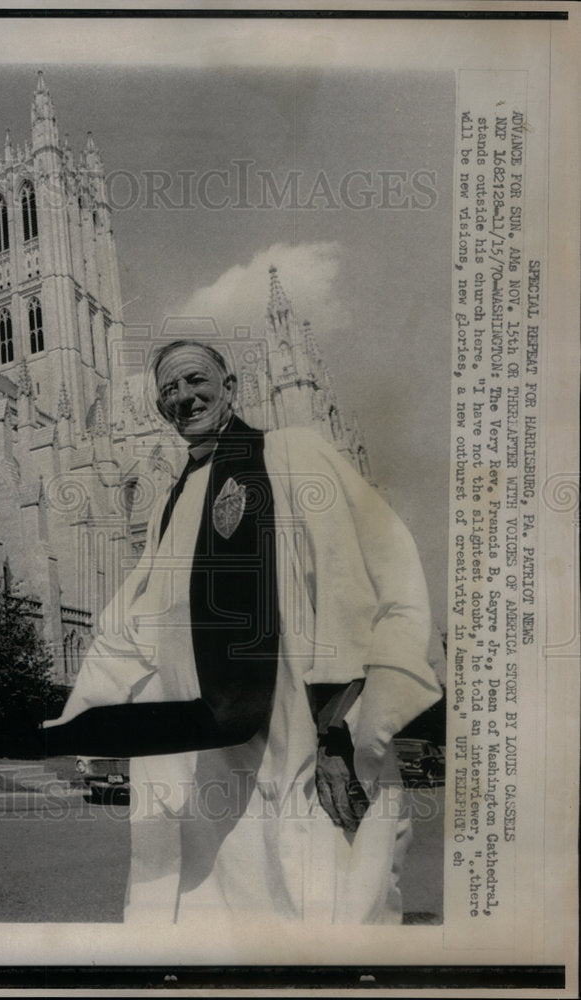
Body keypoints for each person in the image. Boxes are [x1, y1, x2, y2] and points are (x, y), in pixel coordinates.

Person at [43, 339, 442, 925]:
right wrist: (70, 723)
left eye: (196, 380)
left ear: (230, 387)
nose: (184, 397)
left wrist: (340, 728)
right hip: (207, 752)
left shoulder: (291, 454)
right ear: (159, 410)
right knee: (225, 909)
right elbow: (131, 624)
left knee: (317, 893)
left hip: (299, 733)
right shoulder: (169, 505)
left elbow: (352, 576)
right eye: (169, 391)